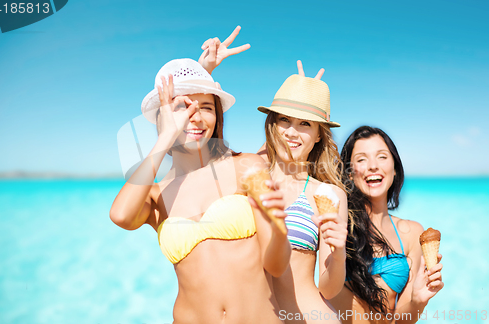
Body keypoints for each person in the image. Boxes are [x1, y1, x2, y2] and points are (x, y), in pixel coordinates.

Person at [110, 58, 291, 324]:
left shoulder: (245, 166)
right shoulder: (155, 194)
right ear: (163, 118)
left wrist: (278, 230)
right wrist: (165, 137)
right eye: (182, 107)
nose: (195, 116)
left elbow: (276, 266)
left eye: (206, 107)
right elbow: (121, 216)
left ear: (217, 115)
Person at [200, 30, 348, 324]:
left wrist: (340, 252)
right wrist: (204, 72)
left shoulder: (329, 195)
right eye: (284, 120)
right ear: (272, 123)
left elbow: (328, 289)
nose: (291, 132)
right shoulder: (246, 173)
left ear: (320, 135)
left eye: (305, 123)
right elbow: (196, 152)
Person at [329, 126, 444, 323]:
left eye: (382, 157)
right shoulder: (337, 225)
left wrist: (418, 301)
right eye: (361, 159)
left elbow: (401, 320)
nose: (373, 166)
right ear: (348, 173)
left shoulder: (412, 233)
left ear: (395, 168)